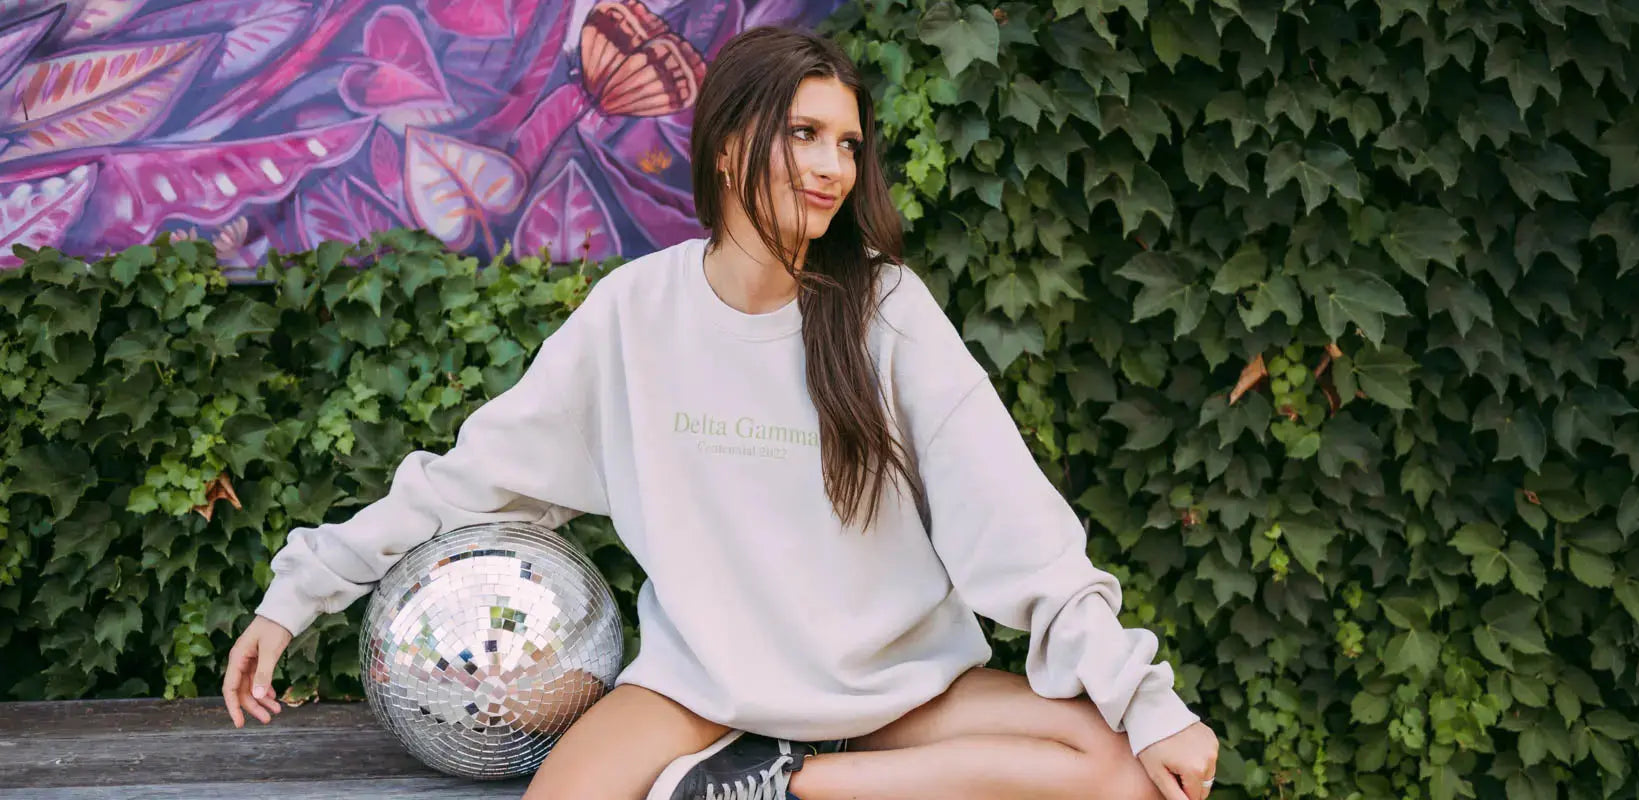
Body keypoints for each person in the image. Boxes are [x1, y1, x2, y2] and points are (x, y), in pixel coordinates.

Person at [220, 24, 1221, 800]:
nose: (833, 168)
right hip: (699, 690)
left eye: (848, 144)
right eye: (804, 134)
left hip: (897, 690)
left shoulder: (886, 310)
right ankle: (756, 767)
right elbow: (469, 483)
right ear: (732, 146)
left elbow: (1018, 532)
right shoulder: (633, 314)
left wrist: (1149, 702)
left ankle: (793, 783)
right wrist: (295, 595)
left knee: (1124, 774)